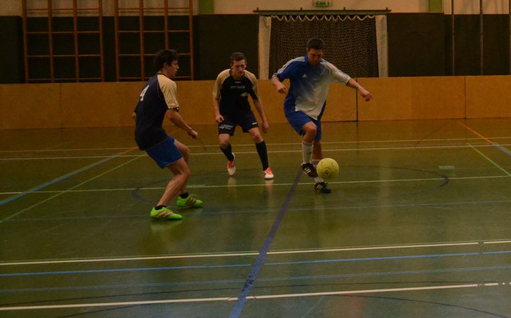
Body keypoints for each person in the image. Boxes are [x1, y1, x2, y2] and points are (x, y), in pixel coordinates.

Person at [271, 37, 372, 194]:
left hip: (315, 113)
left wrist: (361, 89)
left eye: (319, 56)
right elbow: (275, 76)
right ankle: (305, 163)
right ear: (307, 52)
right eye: (313, 55)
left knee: (317, 145)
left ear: (323, 53)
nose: (316, 59)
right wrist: (278, 84)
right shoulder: (296, 64)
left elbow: (347, 79)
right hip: (295, 108)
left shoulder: (327, 68)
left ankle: (319, 182)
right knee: (311, 130)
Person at [133, 49, 204, 221]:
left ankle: (184, 197)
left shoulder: (151, 82)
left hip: (148, 132)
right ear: (166, 65)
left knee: (184, 151)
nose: (178, 68)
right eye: (175, 64)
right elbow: (172, 115)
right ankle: (160, 207)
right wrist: (189, 130)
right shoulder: (168, 83)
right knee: (183, 173)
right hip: (152, 135)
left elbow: (134, 114)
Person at [213, 51, 273, 180]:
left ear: (245, 65)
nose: (240, 69)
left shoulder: (250, 78)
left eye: (242, 66)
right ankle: (230, 158)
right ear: (231, 66)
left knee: (257, 135)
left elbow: (256, 99)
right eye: (237, 66)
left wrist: (264, 120)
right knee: (223, 142)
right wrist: (217, 114)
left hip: (244, 113)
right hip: (227, 114)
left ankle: (266, 168)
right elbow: (215, 96)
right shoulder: (222, 77)